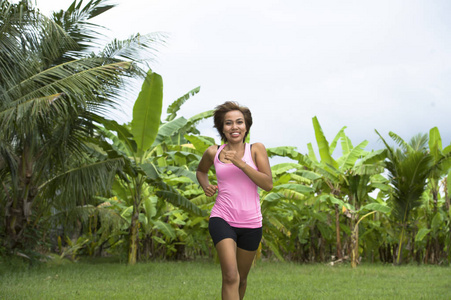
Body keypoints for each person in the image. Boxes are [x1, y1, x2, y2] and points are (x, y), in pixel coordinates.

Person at [196, 101, 273, 300]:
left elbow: (267, 184)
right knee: (230, 276)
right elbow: (201, 171)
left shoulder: (256, 150)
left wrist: (241, 164)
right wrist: (205, 185)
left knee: (242, 278)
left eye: (239, 122)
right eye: (228, 123)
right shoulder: (214, 152)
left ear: (246, 126)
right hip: (222, 218)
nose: (234, 127)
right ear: (222, 128)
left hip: (251, 222)